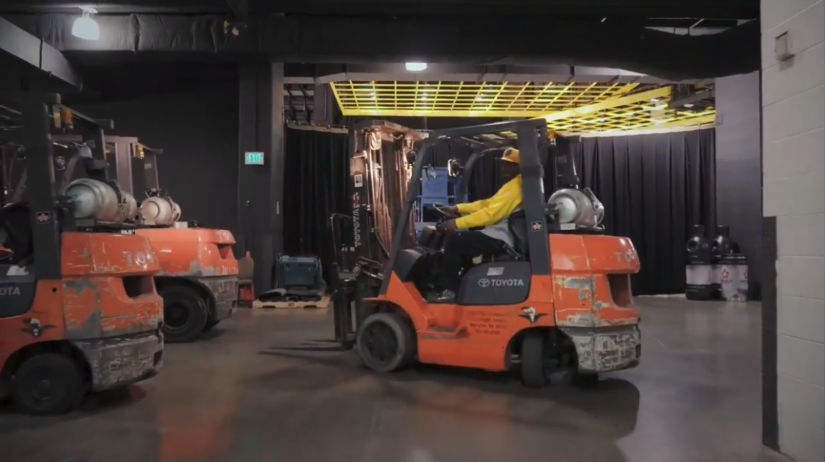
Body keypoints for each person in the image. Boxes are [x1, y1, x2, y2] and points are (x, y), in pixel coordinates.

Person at [434, 147, 522, 302]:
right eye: (502, 164)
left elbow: (491, 214)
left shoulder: (516, 186)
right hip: (500, 231)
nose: (503, 168)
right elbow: (487, 204)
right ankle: (467, 284)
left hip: (502, 235)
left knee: (456, 241)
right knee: (465, 242)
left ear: (518, 167)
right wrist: (458, 208)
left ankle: (450, 290)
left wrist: (456, 223)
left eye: (508, 165)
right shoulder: (512, 184)